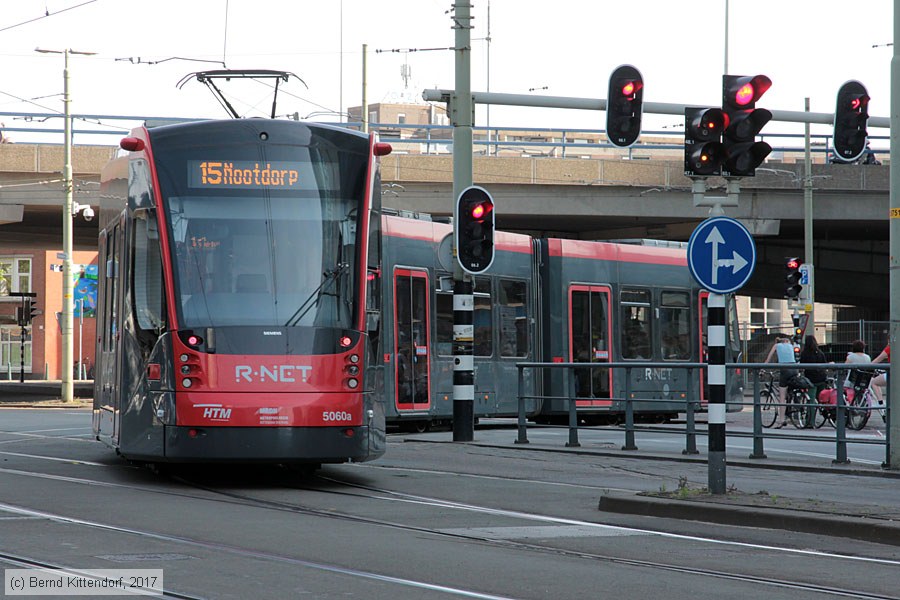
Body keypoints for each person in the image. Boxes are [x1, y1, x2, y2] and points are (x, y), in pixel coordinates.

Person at [765, 335, 798, 428]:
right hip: (794, 369)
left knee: (782, 397)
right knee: (791, 390)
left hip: (784, 370)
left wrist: (762, 368)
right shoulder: (791, 345)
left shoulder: (776, 346)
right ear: (787, 341)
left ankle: (781, 420)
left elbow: (768, 359)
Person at [799, 335, 828, 402]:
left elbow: (801, 366)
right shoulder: (820, 353)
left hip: (811, 379)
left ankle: (811, 412)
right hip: (822, 378)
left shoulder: (805, 353)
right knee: (821, 398)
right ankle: (823, 410)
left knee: (811, 399)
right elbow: (825, 364)